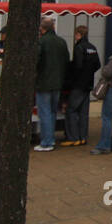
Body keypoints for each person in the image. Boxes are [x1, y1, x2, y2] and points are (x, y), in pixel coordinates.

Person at [34, 17, 70, 152]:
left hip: (43, 83)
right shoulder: (61, 42)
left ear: (42, 29)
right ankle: (51, 139)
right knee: (53, 112)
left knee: (44, 113)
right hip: (58, 83)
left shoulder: (41, 42)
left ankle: (46, 142)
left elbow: (36, 61)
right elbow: (66, 60)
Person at [64, 25, 100, 147]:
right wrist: (88, 74)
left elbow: (77, 66)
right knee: (84, 112)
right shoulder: (92, 47)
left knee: (71, 110)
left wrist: (71, 78)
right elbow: (98, 65)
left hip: (78, 84)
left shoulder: (79, 47)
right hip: (88, 83)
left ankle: (73, 137)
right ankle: (83, 137)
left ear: (79, 34)